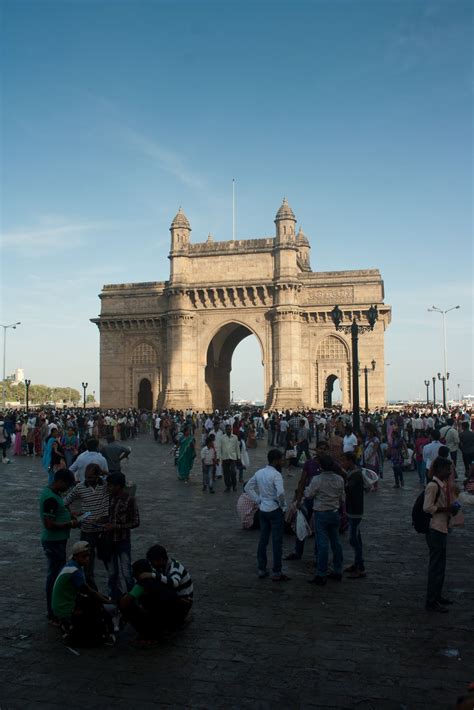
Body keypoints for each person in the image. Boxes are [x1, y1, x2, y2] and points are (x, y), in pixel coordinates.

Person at [120, 546, 193, 646]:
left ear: (161, 560)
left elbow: (174, 582)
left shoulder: (174, 567)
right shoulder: (160, 571)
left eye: (153, 562)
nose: (153, 566)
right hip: (176, 601)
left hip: (182, 604)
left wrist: (151, 576)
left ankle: (153, 634)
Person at [51, 541, 113, 646]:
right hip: (65, 608)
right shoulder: (75, 571)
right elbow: (90, 591)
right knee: (95, 606)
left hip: (61, 605)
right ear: (76, 556)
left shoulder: (72, 566)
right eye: (84, 556)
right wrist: (108, 601)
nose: (87, 559)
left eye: (88, 556)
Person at [39, 469, 78, 622]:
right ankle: (53, 611)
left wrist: (70, 515)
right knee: (55, 577)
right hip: (54, 541)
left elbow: (57, 513)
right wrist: (70, 523)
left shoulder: (54, 494)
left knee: (55, 575)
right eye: (67, 486)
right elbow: (49, 524)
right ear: (60, 481)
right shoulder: (50, 498)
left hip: (58, 541)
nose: (67, 489)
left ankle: (54, 609)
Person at [244, 449, 289, 581]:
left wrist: (258, 499)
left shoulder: (260, 472)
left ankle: (262, 568)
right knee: (276, 542)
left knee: (263, 540)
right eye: (281, 459)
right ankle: (277, 571)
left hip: (263, 509)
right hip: (275, 510)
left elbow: (248, 487)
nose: (283, 461)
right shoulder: (276, 475)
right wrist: (283, 506)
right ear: (276, 460)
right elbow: (280, 493)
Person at [423, 456, 460, 613]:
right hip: (435, 528)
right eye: (447, 469)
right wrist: (447, 510)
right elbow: (427, 507)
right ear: (439, 470)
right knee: (435, 566)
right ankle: (431, 600)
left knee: (441, 566)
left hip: (442, 527)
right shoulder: (433, 486)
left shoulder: (442, 485)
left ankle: (437, 596)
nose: (449, 472)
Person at [63, 463, 110, 585]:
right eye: (86, 477)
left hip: (104, 530)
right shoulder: (80, 487)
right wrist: (72, 516)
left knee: (108, 560)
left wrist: (106, 473)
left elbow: (121, 482)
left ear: (98, 476)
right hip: (87, 530)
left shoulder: (105, 485)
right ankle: (91, 589)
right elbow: (65, 502)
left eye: (91, 478)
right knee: (88, 564)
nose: (88, 480)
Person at [304, 454, 345, 585]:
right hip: (334, 512)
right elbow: (341, 496)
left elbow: (309, 495)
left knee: (322, 544)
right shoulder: (339, 479)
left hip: (321, 513)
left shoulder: (317, 479)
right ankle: (338, 570)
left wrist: (304, 489)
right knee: (336, 542)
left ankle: (321, 573)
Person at [104, 472, 140, 602]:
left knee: (127, 573)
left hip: (123, 540)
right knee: (112, 574)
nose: (108, 488)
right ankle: (114, 599)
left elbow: (136, 522)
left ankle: (132, 599)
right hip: (109, 541)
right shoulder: (109, 498)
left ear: (119, 486)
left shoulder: (129, 500)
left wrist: (116, 526)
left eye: (110, 485)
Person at [342, 451, 366, 578]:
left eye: (344, 460)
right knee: (357, 537)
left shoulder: (355, 475)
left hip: (355, 510)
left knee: (353, 538)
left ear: (350, 461)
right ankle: (357, 563)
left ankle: (360, 567)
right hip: (353, 508)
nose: (343, 463)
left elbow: (348, 489)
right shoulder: (353, 473)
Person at [218, 423, 240, 492]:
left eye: (229, 429)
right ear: (225, 430)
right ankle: (228, 486)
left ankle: (234, 485)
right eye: (227, 429)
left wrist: (238, 457)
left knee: (233, 472)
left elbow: (237, 448)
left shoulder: (235, 437)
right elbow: (219, 448)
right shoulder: (222, 438)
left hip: (233, 457)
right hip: (225, 458)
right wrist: (219, 457)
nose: (228, 430)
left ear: (231, 429)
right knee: (226, 473)